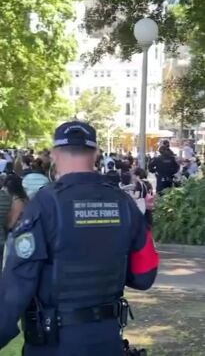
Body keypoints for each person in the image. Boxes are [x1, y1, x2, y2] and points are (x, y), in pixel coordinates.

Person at [0, 121, 159, 356]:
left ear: (54, 154)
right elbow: (145, 276)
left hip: (54, 342)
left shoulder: (44, 205)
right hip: (107, 340)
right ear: (95, 154)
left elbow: (16, 285)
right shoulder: (124, 204)